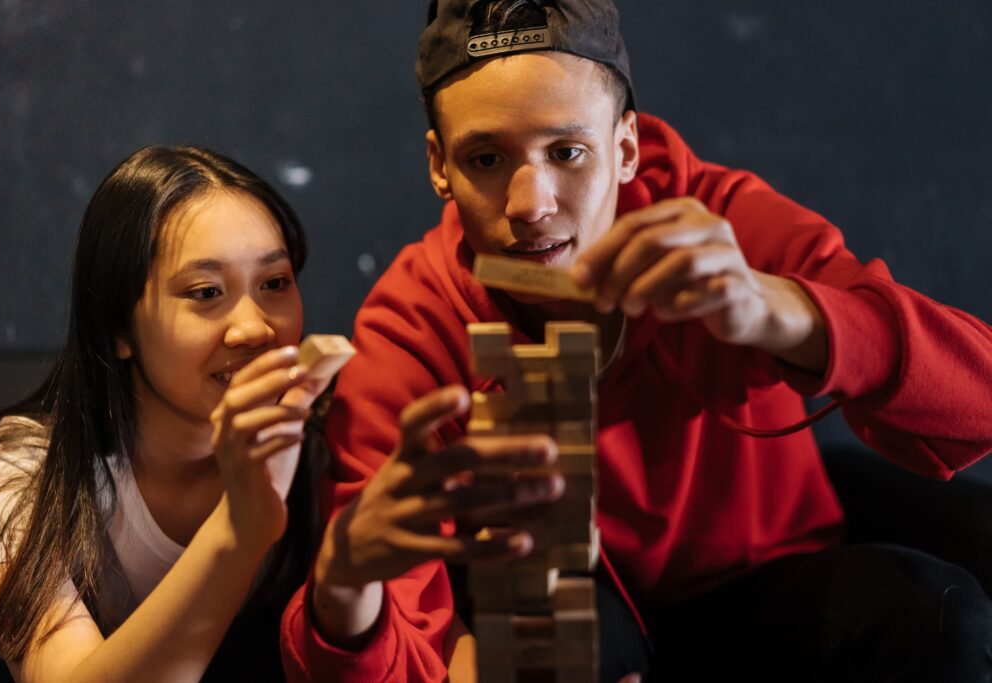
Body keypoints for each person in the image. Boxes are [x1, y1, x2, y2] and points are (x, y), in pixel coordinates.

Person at [281, 1, 992, 681]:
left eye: (568, 151)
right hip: (575, 614)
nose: (531, 205)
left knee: (939, 616)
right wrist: (348, 589)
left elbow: (979, 398)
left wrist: (781, 312)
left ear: (626, 148)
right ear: (440, 165)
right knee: (548, 642)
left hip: (774, 587)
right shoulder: (413, 325)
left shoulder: (718, 222)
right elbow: (376, 622)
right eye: (487, 160)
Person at [0, 146, 333, 682]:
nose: (255, 329)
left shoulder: (328, 449)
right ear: (119, 328)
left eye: (275, 283)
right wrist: (240, 527)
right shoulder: (19, 478)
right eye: (206, 292)